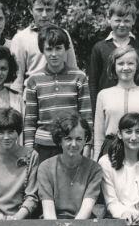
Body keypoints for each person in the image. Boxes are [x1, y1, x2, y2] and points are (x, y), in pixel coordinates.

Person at [23, 25, 92, 164]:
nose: (54, 54)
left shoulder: (79, 77)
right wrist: (29, 149)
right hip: (43, 147)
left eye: (58, 48)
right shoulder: (34, 80)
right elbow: (30, 119)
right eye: (49, 49)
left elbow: (86, 116)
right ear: (42, 50)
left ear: (66, 49)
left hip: (72, 145)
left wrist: (87, 145)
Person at [92, 47, 139, 159]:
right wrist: (96, 159)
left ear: (137, 66)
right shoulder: (103, 95)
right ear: (114, 66)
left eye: (130, 63)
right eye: (120, 63)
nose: (126, 67)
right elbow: (99, 135)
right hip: (111, 151)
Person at [88, 0, 139, 106]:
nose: (122, 24)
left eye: (127, 21)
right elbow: (93, 83)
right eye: (118, 20)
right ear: (109, 19)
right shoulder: (99, 48)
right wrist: (96, 110)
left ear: (133, 20)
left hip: (136, 105)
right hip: (108, 106)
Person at [0, 108, 40, 220]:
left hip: (22, 217)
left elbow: (32, 196)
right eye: (1, 132)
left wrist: (16, 218)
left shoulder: (32, 155)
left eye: (11, 132)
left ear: (18, 132)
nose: (6, 137)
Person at [10, 0, 78, 92]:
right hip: (34, 94)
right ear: (30, 10)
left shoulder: (63, 34)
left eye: (49, 10)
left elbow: (72, 68)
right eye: (39, 10)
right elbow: (17, 79)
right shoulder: (20, 38)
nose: (44, 15)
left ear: (54, 11)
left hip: (62, 93)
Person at [37, 114, 103, 220]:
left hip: (82, 223)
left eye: (79, 139)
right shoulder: (45, 168)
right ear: (60, 140)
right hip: (52, 223)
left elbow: (86, 211)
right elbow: (49, 213)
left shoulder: (94, 169)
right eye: (68, 138)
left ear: (85, 140)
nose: (73, 144)